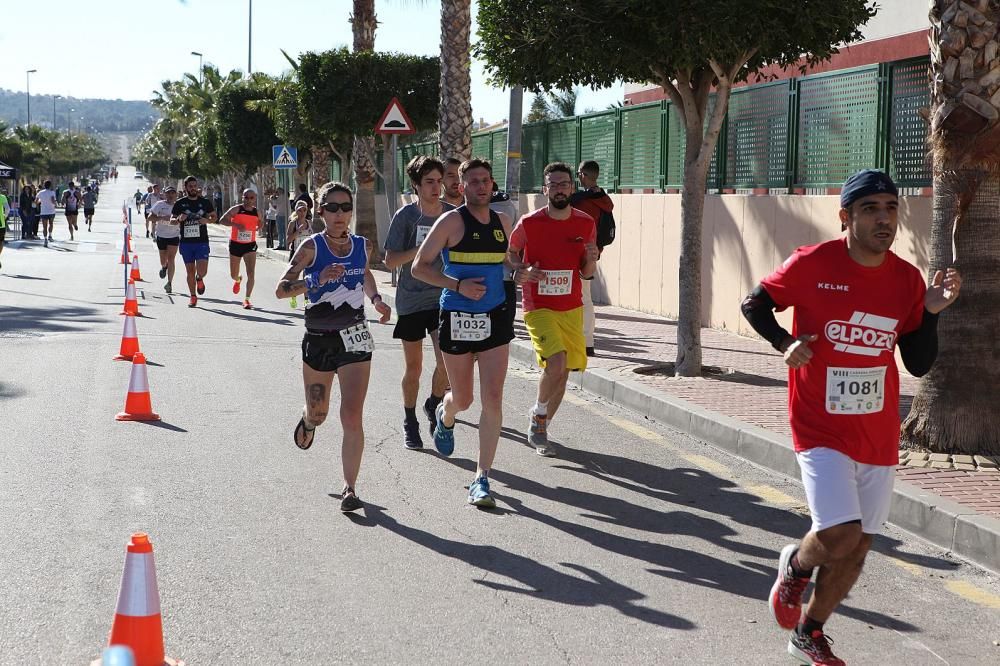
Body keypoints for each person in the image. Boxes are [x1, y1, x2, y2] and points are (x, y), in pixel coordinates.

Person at [740, 170, 962, 666]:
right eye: (871, 209)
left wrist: (930, 311)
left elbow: (918, 363)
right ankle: (795, 568)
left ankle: (808, 633)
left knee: (858, 546)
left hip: (877, 429)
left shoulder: (905, 279)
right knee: (838, 532)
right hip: (818, 423)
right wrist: (785, 343)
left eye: (890, 208)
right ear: (846, 217)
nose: (884, 219)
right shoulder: (813, 263)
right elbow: (754, 303)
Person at [274, 181, 391, 513]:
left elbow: (365, 274)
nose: (340, 214)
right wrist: (317, 279)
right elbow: (282, 290)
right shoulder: (310, 248)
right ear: (320, 211)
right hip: (319, 339)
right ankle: (308, 421)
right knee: (320, 413)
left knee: (352, 415)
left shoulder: (363, 244)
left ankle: (349, 487)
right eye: (333, 207)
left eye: (346, 207)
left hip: (356, 336)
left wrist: (377, 299)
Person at [411, 158, 518, 508]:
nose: (481, 186)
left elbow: (507, 261)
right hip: (457, 315)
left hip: (496, 315)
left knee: (493, 399)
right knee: (465, 398)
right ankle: (447, 414)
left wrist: (522, 272)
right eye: (473, 181)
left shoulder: (503, 221)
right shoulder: (450, 221)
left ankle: (481, 477)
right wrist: (457, 284)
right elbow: (419, 268)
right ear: (460, 185)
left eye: (485, 180)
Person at [509, 162, 599, 457]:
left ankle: (542, 424)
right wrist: (520, 271)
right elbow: (510, 254)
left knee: (564, 372)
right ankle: (538, 413)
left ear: (572, 187)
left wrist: (592, 258)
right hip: (539, 305)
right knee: (557, 363)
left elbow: (586, 273)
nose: (559, 189)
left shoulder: (585, 223)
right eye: (553, 184)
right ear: (544, 190)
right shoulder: (529, 223)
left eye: (564, 184)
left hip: (571, 306)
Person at [383, 156, 453, 449]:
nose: (437, 187)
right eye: (429, 182)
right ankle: (410, 420)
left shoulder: (451, 215)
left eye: (439, 181)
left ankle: (433, 403)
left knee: (446, 364)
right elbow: (390, 262)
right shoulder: (406, 217)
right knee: (414, 368)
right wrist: (420, 250)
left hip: (442, 298)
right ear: (416, 185)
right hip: (411, 300)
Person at [569, 160, 615, 357]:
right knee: (586, 298)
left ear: (583, 175)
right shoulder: (604, 199)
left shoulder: (580, 201)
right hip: (593, 253)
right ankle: (588, 341)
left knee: (573, 297)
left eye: (579, 173)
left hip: (573, 252)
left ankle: (575, 340)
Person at [170, 175, 217, 307]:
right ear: (185, 188)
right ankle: (193, 296)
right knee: (189, 271)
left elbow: (214, 217)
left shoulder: (205, 202)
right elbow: (172, 221)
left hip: (202, 241)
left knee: (202, 270)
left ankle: (200, 278)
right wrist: (179, 219)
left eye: (194, 186)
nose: (193, 188)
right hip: (186, 243)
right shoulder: (180, 203)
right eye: (190, 186)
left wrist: (207, 220)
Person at [218, 188, 263, 309]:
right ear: (242, 197)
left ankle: (247, 300)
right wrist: (235, 225)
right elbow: (222, 220)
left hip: (250, 245)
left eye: (251, 198)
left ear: (255, 199)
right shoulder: (236, 209)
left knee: (251, 273)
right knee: (233, 274)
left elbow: (261, 222)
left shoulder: (256, 212)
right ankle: (238, 279)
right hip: (236, 244)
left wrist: (259, 227)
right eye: (246, 197)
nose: (248, 200)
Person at [150, 186, 180, 293]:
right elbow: (150, 217)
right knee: (163, 260)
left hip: (174, 236)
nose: (170, 195)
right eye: (168, 193)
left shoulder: (179, 205)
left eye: (172, 193)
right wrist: (161, 218)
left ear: (176, 195)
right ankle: (164, 267)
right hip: (161, 236)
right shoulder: (159, 205)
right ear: (165, 194)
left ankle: (169, 283)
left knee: (171, 259)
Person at [35, 180, 58, 247]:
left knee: (44, 226)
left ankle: (45, 239)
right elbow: (53, 200)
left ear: (44, 185)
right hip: (51, 211)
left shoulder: (40, 193)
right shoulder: (52, 192)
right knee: (51, 224)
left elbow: (36, 201)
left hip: (43, 212)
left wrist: (40, 202)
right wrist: (55, 204)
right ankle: (50, 235)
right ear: (50, 185)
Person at [0, 188, 9, 270]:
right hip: (1, 223)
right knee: (1, 241)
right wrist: (5, 216)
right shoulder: (2, 197)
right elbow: (7, 209)